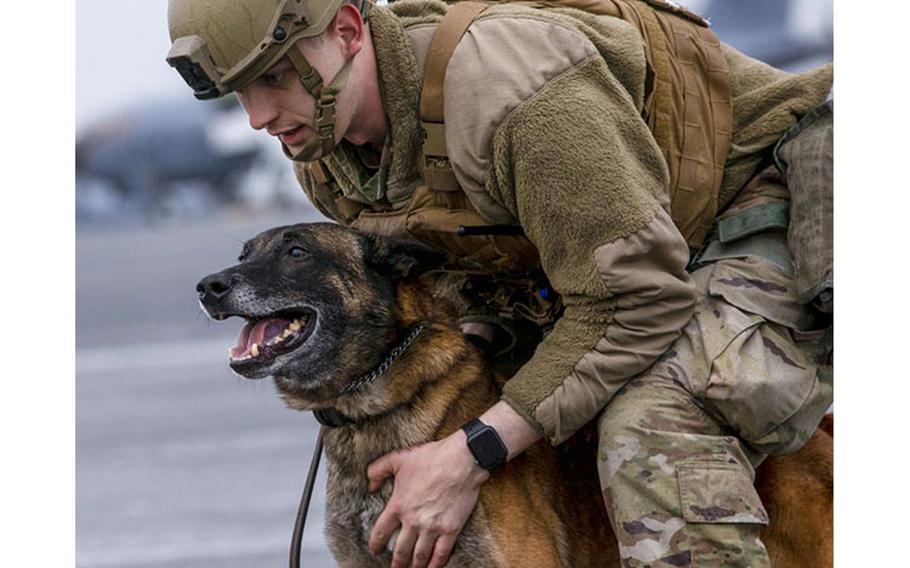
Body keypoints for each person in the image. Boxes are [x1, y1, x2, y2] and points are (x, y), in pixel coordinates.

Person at [167, 0, 833, 566]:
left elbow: (639, 298)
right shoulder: (324, 146)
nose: (258, 116)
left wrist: (471, 452)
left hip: (762, 196)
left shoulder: (512, 95)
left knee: (652, 430)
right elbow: (463, 277)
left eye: (276, 76)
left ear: (346, 30)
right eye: (241, 93)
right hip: (633, 246)